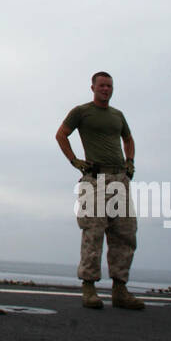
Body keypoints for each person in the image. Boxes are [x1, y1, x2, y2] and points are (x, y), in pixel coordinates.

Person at [55, 72, 145, 310]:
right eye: (102, 85)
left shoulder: (118, 115)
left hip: (119, 179)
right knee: (93, 232)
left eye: (110, 86)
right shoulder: (81, 111)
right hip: (94, 179)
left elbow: (129, 139)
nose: (106, 89)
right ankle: (89, 288)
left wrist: (130, 162)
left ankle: (120, 290)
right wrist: (74, 160)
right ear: (93, 87)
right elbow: (61, 134)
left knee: (125, 233)